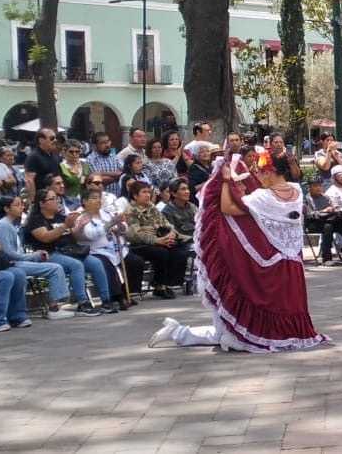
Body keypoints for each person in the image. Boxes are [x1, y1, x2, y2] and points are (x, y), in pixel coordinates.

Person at [147, 149, 330, 352]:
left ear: (270, 171)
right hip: (292, 264)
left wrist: (226, 182)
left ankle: (179, 332)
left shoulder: (263, 197)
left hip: (272, 266)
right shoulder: (296, 191)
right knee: (235, 327)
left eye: (260, 172)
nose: (257, 176)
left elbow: (227, 208)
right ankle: (180, 333)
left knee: (237, 319)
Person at [23, 188, 113, 315]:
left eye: (57, 198)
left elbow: (74, 237)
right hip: (50, 254)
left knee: (96, 263)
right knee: (76, 265)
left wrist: (79, 228)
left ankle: (106, 300)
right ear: (42, 203)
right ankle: (83, 303)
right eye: (52, 199)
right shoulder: (35, 220)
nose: (57, 201)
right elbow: (45, 237)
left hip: (71, 251)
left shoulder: (61, 217)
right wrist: (65, 226)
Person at [0, 196, 75, 320]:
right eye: (17, 205)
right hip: (12, 264)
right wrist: (33, 256)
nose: (22, 207)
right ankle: (53, 308)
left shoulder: (11, 224)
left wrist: (35, 255)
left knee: (54, 266)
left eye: (21, 204)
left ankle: (55, 305)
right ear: (6, 208)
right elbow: (9, 253)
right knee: (55, 268)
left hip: (18, 262)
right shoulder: (3, 225)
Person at [73, 188, 145, 310]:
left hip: (117, 248)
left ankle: (128, 292)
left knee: (135, 261)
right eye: (94, 198)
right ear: (85, 201)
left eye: (99, 198)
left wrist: (121, 226)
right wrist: (110, 224)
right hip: (96, 251)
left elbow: (124, 228)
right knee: (106, 266)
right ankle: (116, 297)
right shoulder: (81, 217)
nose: (98, 201)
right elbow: (91, 234)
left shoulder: (107, 213)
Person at [125, 181, 190, 299]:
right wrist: (157, 240)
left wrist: (170, 234)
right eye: (144, 192)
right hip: (139, 245)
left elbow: (166, 223)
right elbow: (136, 235)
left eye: (149, 192)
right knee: (161, 252)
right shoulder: (130, 211)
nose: (148, 195)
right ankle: (159, 285)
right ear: (135, 196)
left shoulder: (152, 207)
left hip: (159, 240)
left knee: (179, 251)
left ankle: (172, 284)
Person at [304, 177, 342, 265]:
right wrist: (324, 211)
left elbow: (334, 207)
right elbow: (309, 215)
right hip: (314, 223)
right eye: (315, 186)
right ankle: (326, 258)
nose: (318, 188)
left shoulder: (325, 197)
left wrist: (333, 209)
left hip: (329, 220)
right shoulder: (306, 199)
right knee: (328, 227)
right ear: (309, 187)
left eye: (320, 185)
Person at [24, 128, 61, 197]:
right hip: (42, 198)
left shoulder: (55, 155)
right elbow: (29, 181)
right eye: (52, 138)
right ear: (41, 140)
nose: (55, 140)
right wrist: (32, 200)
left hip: (56, 197)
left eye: (55, 138)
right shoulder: (33, 157)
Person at [161, 179, 198, 243]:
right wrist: (194, 239)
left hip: (198, 239)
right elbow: (174, 234)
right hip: (184, 244)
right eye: (183, 189)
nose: (187, 192)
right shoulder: (167, 212)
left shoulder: (192, 206)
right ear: (174, 193)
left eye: (187, 189)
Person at [59, 139, 90, 210]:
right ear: (65, 152)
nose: (74, 154)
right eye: (71, 152)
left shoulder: (85, 165)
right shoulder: (61, 167)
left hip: (85, 201)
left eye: (77, 151)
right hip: (69, 203)